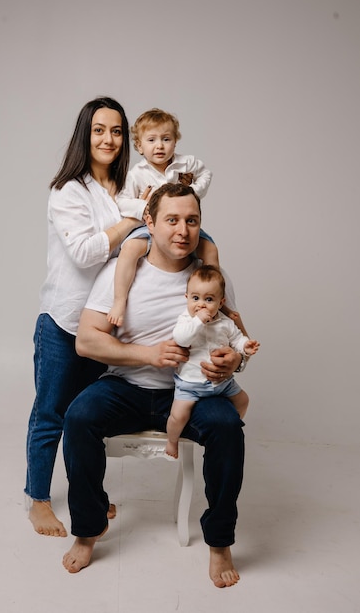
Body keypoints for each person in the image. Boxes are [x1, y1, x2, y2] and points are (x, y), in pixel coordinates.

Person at [62, 182, 246, 588]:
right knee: (78, 417)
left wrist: (235, 361)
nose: (183, 230)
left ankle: (219, 541)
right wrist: (148, 355)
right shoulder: (121, 271)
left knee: (227, 427)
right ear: (149, 222)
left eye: (192, 221)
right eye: (172, 220)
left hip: (192, 390)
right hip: (126, 385)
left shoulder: (212, 278)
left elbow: (238, 339)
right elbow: (87, 340)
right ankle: (88, 528)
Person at [24, 96, 141, 537]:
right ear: (84, 135)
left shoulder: (127, 188)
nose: (108, 138)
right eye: (99, 130)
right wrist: (128, 225)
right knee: (50, 414)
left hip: (103, 325)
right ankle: (37, 500)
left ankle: (88, 496)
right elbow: (86, 252)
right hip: (61, 321)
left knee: (84, 419)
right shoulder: (67, 190)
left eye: (115, 131)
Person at [107, 108, 246, 334]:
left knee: (210, 249)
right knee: (130, 249)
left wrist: (193, 192)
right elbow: (122, 200)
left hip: (181, 226)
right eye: (151, 140)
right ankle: (119, 300)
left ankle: (218, 302)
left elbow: (206, 175)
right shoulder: (137, 173)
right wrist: (144, 208)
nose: (159, 146)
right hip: (147, 227)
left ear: (175, 142)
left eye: (166, 139)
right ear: (140, 146)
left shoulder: (185, 163)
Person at [165, 264, 260, 459]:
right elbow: (181, 339)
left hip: (221, 383)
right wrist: (198, 321)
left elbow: (236, 339)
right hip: (190, 383)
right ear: (187, 298)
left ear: (220, 302)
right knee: (178, 416)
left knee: (243, 400)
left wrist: (245, 346)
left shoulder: (225, 322)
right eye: (195, 298)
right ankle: (171, 441)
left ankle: (235, 424)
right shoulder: (186, 320)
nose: (201, 304)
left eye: (209, 299)